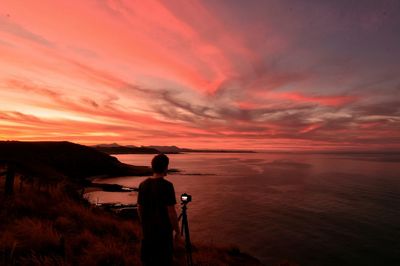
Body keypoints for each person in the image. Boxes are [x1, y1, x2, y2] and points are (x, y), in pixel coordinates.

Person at [137, 154, 180, 266]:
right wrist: (178, 232)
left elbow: (139, 208)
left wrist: (143, 223)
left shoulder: (143, 185)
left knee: (148, 261)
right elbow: (171, 212)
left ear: (153, 167)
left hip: (148, 232)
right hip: (163, 234)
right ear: (165, 167)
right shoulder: (167, 186)